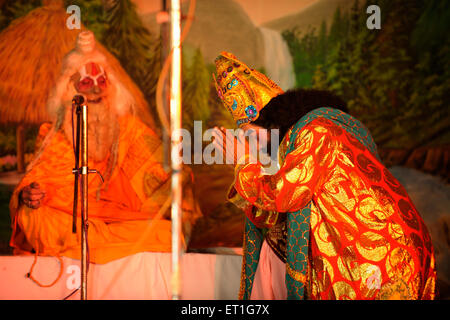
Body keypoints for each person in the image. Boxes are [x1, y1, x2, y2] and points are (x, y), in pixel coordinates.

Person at [212, 51, 436, 300]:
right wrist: (244, 174)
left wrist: (244, 162)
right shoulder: (323, 131)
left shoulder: (316, 131)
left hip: (381, 256)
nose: (254, 147)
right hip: (391, 248)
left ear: (272, 125)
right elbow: (275, 212)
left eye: (252, 136)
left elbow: (282, 195)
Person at [9, 31, 201, 264]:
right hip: (73, 219)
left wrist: (175, 184)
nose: (96, 90)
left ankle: (90, 247)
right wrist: (32, 195)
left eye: (102, 81)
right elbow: (39, 182)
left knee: (167, 233)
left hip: (124, 221)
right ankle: (102, 246)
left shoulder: (131, 129)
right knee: (33, 215)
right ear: (72, 91)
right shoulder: (53, 134)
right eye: (87, 82)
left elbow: (163, 173)